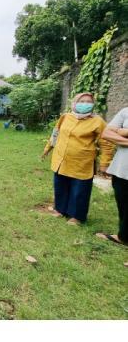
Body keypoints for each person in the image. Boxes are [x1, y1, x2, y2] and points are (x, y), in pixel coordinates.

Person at [42, 92, 114, 225]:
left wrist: (105, 163)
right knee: (60, 186)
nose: (85, 104)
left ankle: (77, 216)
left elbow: (106, 143)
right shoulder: (65, 117)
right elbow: (56, 133)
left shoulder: (98, 121)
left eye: (89, 102)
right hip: (61, 160)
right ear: (74, 103)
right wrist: (48, 148)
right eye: (82, 101)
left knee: (80, 190)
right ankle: (60, 210)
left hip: (82, 162)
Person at [95, 107, 128, 246]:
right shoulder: (125, 112)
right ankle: (124, 236)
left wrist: (121, 131)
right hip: (122, 169)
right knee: (123, 203)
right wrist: (123, 133)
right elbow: (107, 133)